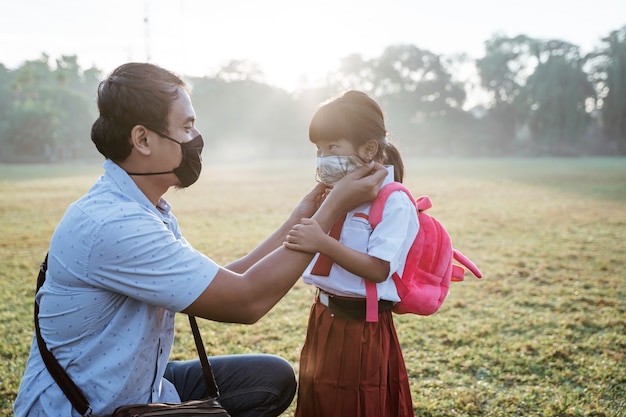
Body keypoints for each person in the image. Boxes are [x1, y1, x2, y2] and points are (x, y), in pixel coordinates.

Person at [14, 64, 387, 417]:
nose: (196, 139)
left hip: (141, 387)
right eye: (187, 126)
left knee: (269, 378)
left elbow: (224, 280)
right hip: (93, 405)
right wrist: (333, 208)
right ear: (142, 139)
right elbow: (247, 300)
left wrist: (298, 219)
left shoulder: (141, 206)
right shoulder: (117, 224)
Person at [283, 90, 418, 417]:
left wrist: (322, 241)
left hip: (361, 329)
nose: (322, 157)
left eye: (332, 147)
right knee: (320, 401)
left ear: (368, 149)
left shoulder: (394, 202)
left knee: (358, 405)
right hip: (322, 318)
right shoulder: (331, 196)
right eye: (318, 149)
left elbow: (378, 269)